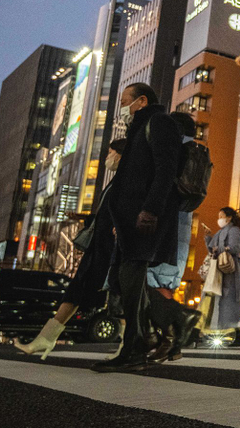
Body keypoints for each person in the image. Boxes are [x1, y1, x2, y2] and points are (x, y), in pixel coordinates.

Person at [92, 83, 182, 373]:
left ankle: (139, 345)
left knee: (130, 279)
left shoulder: (158, 123)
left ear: (142, 101)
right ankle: (146, 339)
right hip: (128, 220)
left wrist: (150, 210)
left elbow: (166, 169)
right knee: (122, 281)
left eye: (126, 102)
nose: (123, 108)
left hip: (144, 219)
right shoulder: (139, 128)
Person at [15, 139, 126, 359]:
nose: (108, 157)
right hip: (99, 248)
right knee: (77, 290)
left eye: (111, 152)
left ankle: (129, 344)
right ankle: (45, 339)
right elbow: (107, 215)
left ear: (121, 155)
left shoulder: (126, 181)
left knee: (119, 295)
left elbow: (121, 214)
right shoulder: (115, 182)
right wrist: (86, 218)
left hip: (111, 250)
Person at [146, 111, 203, 362]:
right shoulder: (194, 152)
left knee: (150, 280)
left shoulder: (173, 149)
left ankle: (176, 326)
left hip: (164, 219)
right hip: (180, 219)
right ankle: (172, 341)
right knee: (159, 281)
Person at [201, 207, 240, 345]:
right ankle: (236, 332)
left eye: (221, 216)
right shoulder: (220, 232)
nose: (219, 219)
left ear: (229, 217)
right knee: (220, 301)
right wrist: (208, 236)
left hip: (229, 270)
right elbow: (211, 248)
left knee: (229, 301)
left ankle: (234, 332)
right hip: (219, 270)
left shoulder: (234, 230)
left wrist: (219, 249)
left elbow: (234, 248)